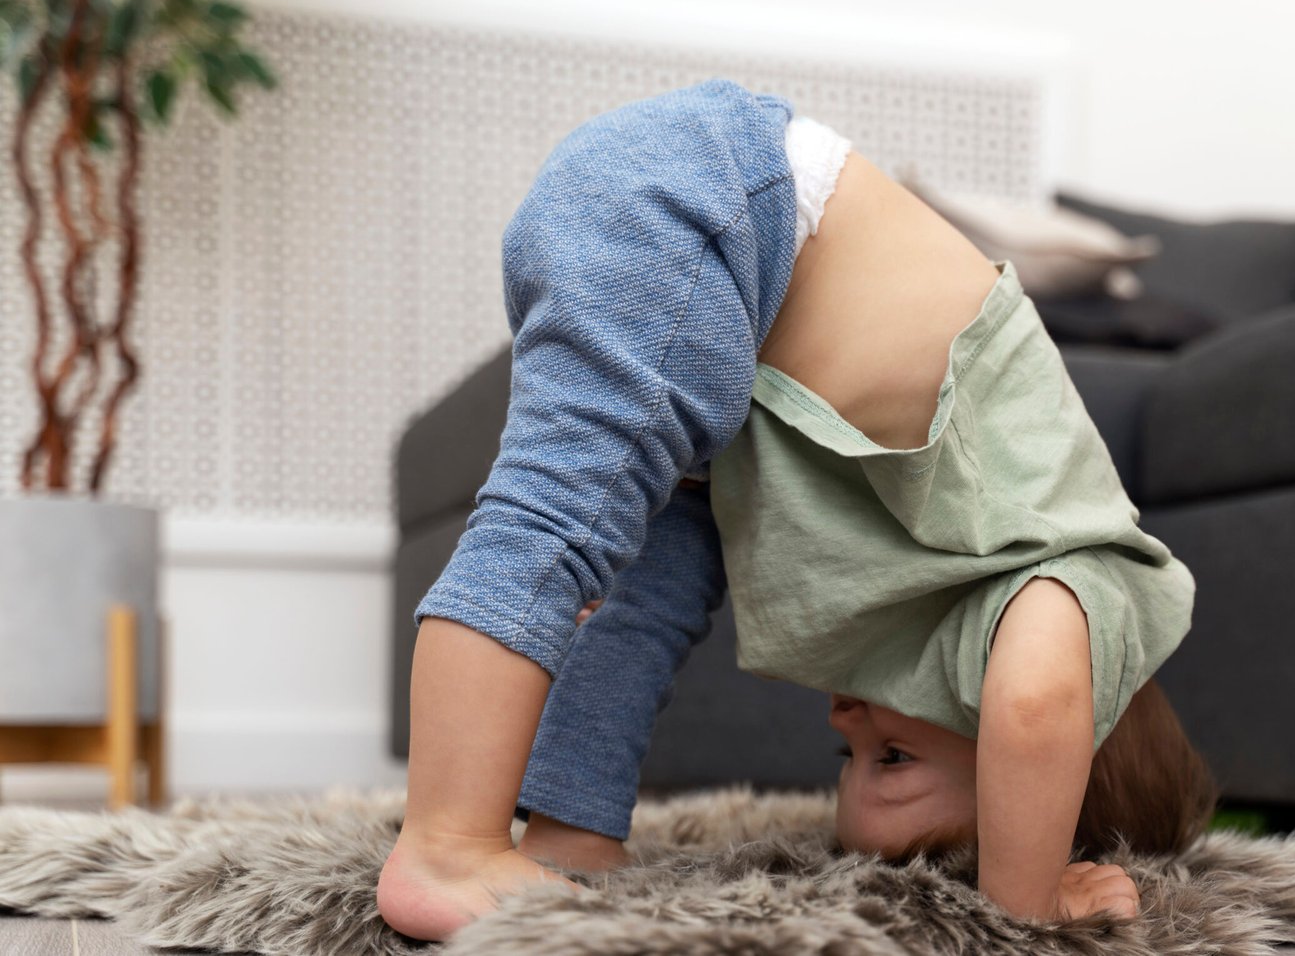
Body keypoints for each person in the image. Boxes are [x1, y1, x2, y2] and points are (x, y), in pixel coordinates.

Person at [376, 79, 1211, 943]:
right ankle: (447, 841)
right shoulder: (1080, 584)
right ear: (1068, 759)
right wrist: (1028, 899)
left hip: (740, 331)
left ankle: (571, 831)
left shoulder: (972, 570)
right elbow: (1038, 708)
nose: (843, 720)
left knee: (651, 597)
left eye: (849, 758)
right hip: (730, 205)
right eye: (890, 756)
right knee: (553, 530)